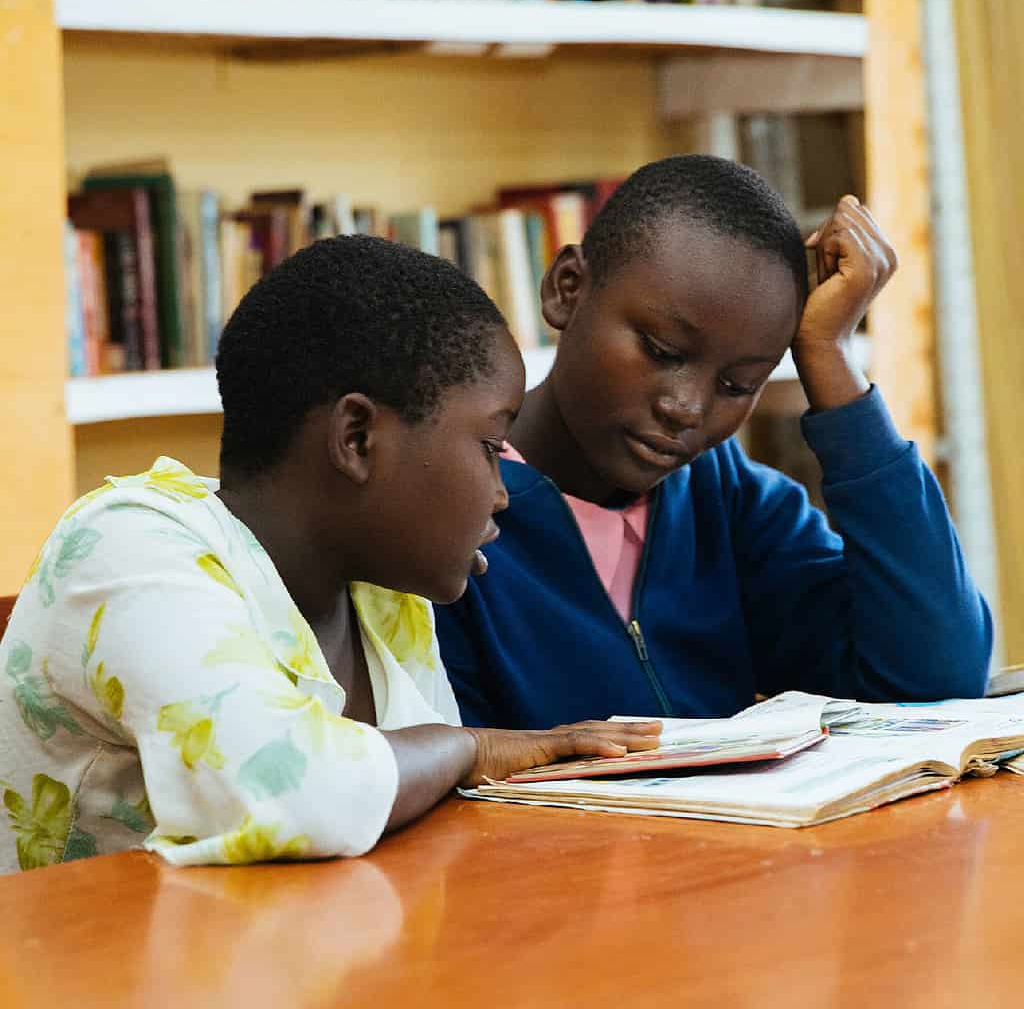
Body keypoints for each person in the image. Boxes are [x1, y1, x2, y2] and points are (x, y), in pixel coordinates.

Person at [0, 236, 660, 874]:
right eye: (491, 447)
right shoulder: (130, 546)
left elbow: (423, 832)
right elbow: (295, 797)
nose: (501, 495)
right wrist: (468, 747)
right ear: (357, 438)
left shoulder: (384, 596)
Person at [434, 155, 993, 729]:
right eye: (662, 350)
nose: (687, 408)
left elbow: (936, 678)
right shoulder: (438, 525)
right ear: (567, 289)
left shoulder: (730, 502)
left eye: (737, 384)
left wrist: (830, 359)